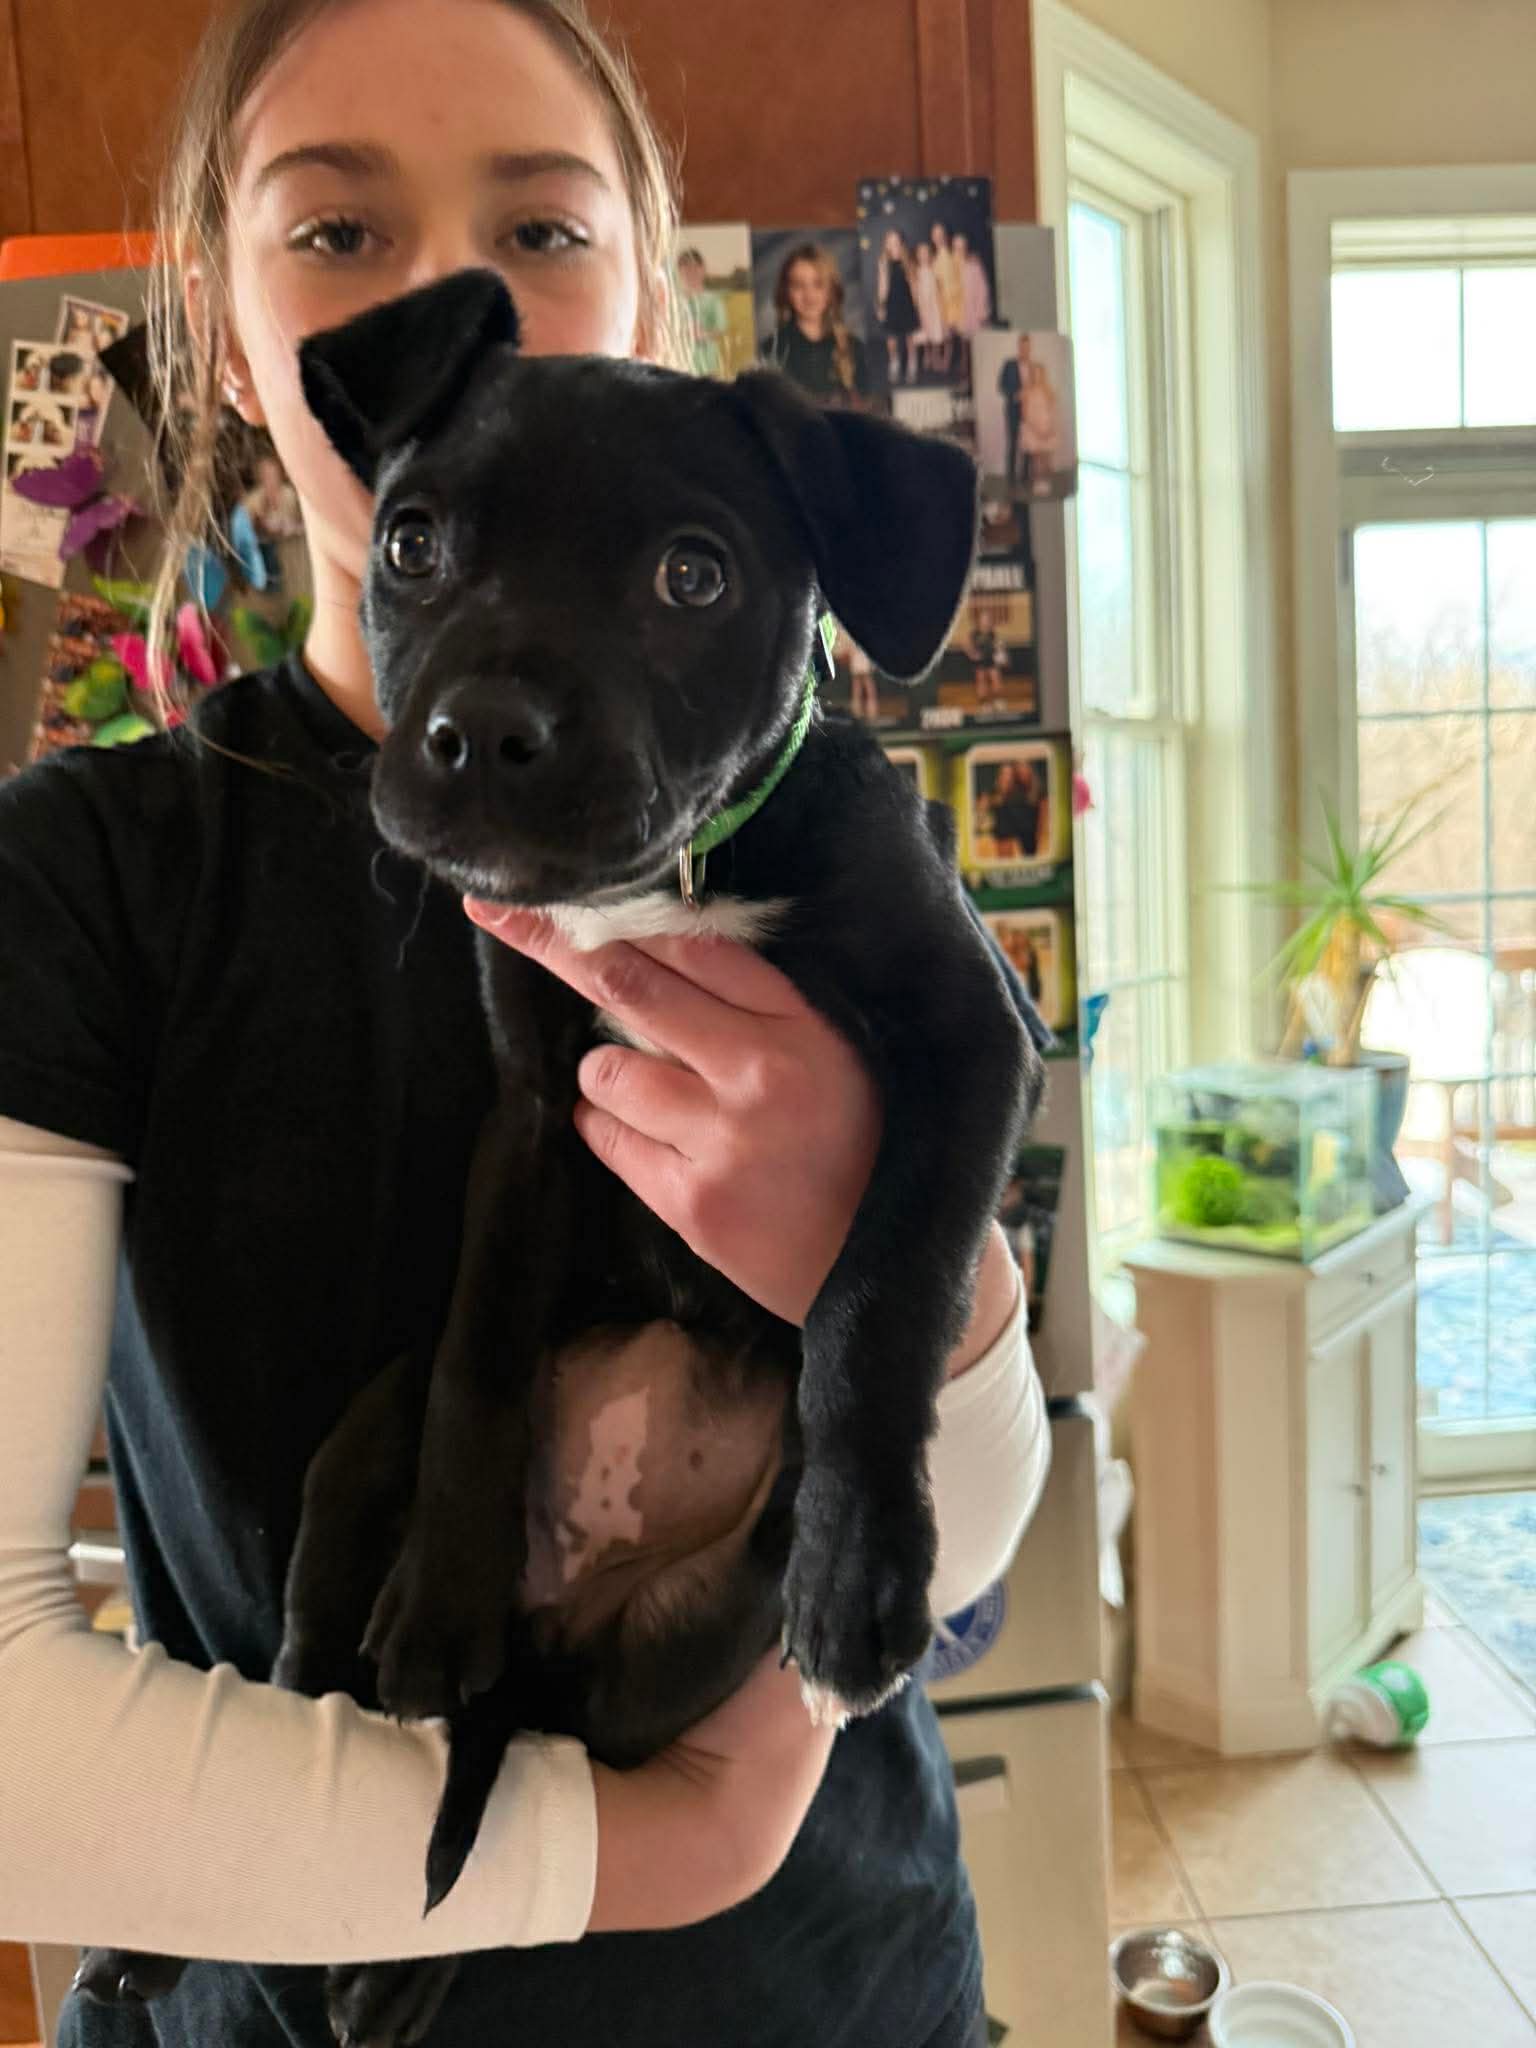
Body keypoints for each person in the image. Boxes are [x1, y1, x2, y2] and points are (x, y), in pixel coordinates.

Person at [0, 5, 1050, 2048]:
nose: (446, 293)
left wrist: (929, 1282)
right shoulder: (80, 880)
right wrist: (672, 1830)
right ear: (229, 339)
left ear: (651, 292)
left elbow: (930, 1545)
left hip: (837, 1993)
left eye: (544, 228)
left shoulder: (805, 815)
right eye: (335, 230)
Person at [761, 241, 871, 407]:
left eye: (818, 284)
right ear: (786, 292)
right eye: (798, 286)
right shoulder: (772, 350)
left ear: (831, 291)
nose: (809, 295)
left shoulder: (855, 349)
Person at [874, 228, 921, 385]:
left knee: (910, 338)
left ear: (901, 242)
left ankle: (912, 364)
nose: (893, 244)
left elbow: (913, 285)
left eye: (896, 241)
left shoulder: (907, 260)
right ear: (886, 244)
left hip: (907, 303)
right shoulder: (883, 262)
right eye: (890, 241)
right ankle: (894, 362)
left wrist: (916, 305)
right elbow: (882, 285)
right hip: (891, 303)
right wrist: (881, 305)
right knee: (891, 338)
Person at [675, 245, 728, 378]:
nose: (690, 272)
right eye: (685, 268)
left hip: (706, 363)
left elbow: (720, 329)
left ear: (702, 269)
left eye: (694, 267)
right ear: (679, 271)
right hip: (679, 364)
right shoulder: (673, 301)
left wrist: (702, 334)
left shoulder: (713, 300)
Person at [1019, 360, 1062, 495]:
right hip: (1032, 427)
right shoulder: (1026, 392)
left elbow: (1053, 411)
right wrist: (1036, 429)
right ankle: (1038, 484)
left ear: (1042, 375)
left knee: (1046, 458)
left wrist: (1050, 427)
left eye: (1039, 374)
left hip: (1047, 426)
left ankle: (1047, 483)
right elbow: (1024, 414)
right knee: (1036, 459)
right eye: (1034, 374)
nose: (1037, 376)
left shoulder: (1048, 391)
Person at [997, 333, 1034, 490]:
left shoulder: (1033, 366)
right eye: (1022, 346)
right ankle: (1011, 480)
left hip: (1030, 411)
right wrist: (1015, 395)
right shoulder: (1009, 364)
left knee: (1028, 444)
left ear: (1030, 348)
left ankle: (1025, 478)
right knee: (1013, 443)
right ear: (1019, 347)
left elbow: (1037, 387)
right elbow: (1001, 386)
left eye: (1028, 347)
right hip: (1013, 410)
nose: (1025, 350)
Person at [929, 222, 962, 378]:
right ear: (932, 237)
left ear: (945, 236)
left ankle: (946, 360)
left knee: (948, 333)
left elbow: (954, 280)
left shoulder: (949, 255)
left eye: (941, 234)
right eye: (935, 235)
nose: (938, 237)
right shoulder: (934, 257)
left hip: (949, 300)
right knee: (937, 331)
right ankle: (936, 358)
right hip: (936, 300)